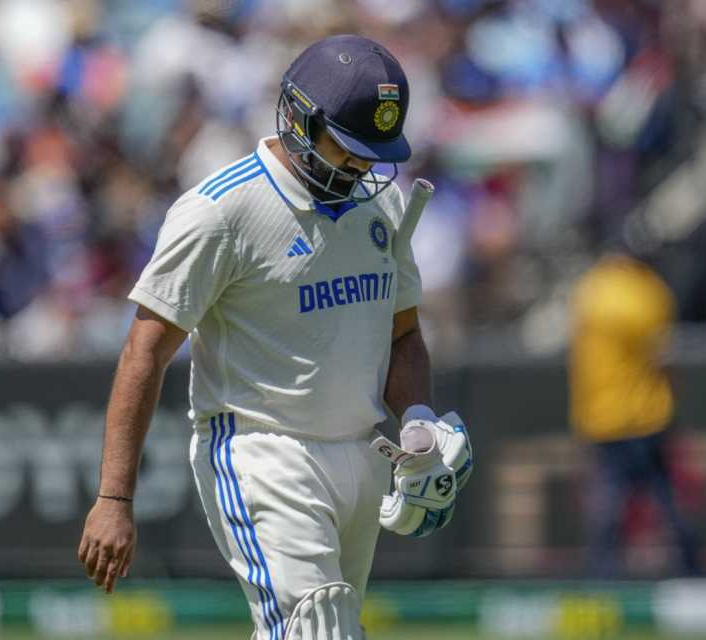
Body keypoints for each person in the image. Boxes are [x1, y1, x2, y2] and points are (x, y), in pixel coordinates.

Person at [77, 35, 472, 639]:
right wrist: (114, 500)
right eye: (348, 147)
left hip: (362, 452)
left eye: (373, 152)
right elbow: (145, 351)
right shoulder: (221, 210)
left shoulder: (383, 206)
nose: (362, 167)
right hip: (262, 450)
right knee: (316, 628)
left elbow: (404, 334)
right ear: (297, 117)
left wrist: (416, 419)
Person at [569, 251, 700, 578]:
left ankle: (603, 576)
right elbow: (662, 355)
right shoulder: (647, 291)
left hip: (600, 416)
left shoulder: (591, 288)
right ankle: (691, 569)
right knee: (666, 499)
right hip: (645, 416)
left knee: (610, 502)